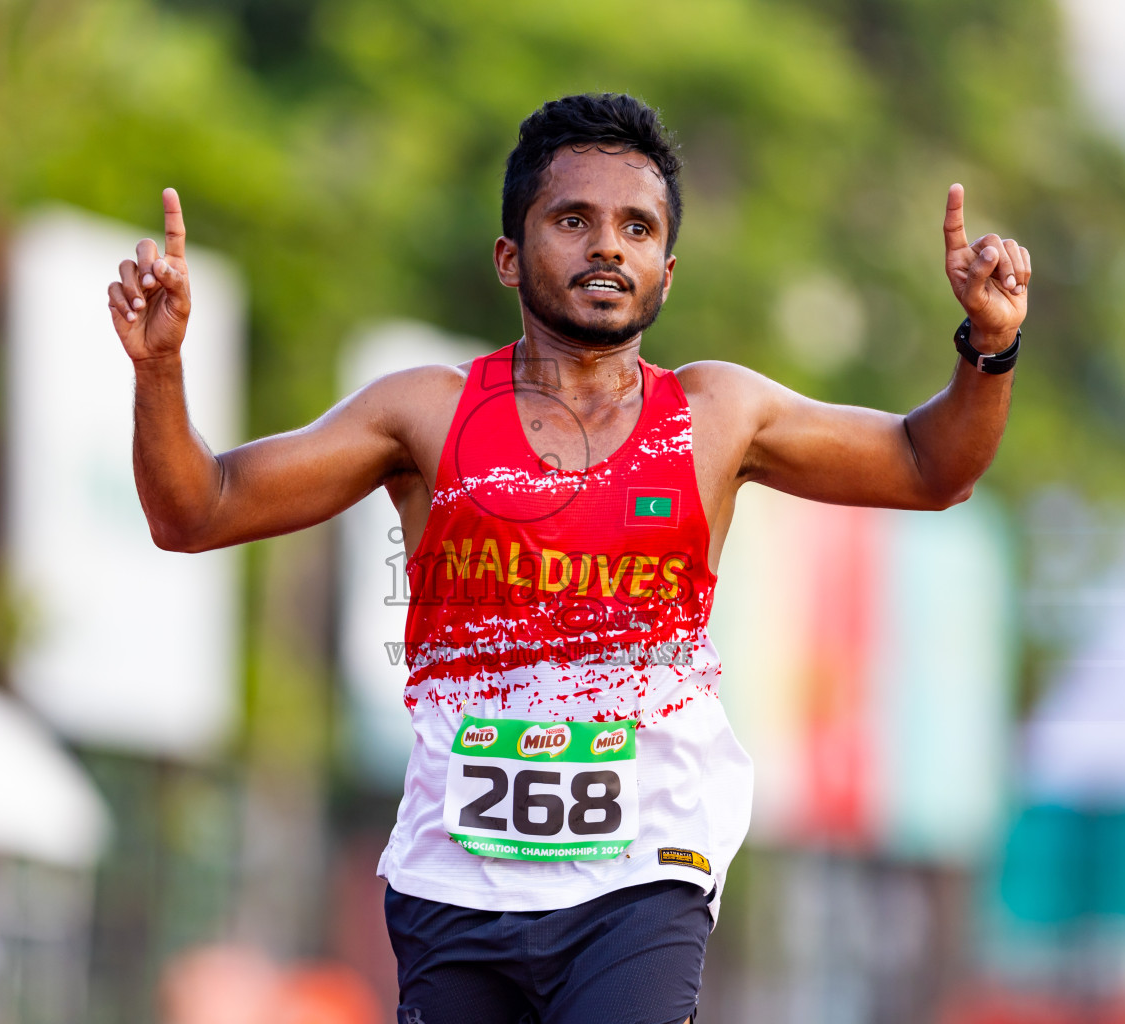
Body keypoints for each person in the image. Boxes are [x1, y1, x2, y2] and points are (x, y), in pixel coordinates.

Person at [107, 92, 1029, 1024]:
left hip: (644, 872)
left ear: (666, 271)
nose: (607, 247)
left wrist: (988, 348)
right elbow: (198, 511)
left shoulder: (716, 417)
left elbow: (929, 466)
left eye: (637, 227)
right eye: (573, 220)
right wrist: (160, 372)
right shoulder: (424, 414)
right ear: (510, 257)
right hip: (456, 882)